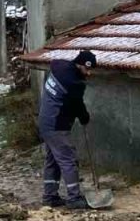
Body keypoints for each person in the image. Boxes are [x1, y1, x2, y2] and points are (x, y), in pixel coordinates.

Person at [37, 50, 96, 210]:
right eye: (87, 69)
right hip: (56, 125)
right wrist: (84, 117)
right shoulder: (74, 83)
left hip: (45, 121)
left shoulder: (58, 66)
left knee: (52, 160)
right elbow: (77, 105)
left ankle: (50, 196)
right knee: (69, 160)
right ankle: (74, 198)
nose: (89, 73)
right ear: (79, 65)